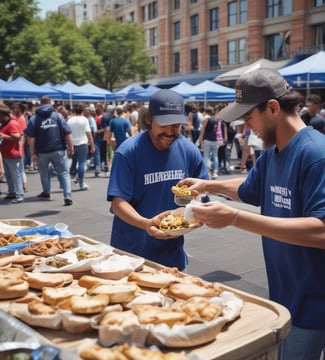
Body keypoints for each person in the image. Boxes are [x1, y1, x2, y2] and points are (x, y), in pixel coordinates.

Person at [177, 68, 325, 360]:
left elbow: (321, 230)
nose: (245, 127)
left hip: (312, 303)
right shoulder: (273, 153)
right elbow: (251, 188)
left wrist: (234, 218)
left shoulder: (316, 154)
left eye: (248, 117)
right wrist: (209, 184)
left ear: (272, 108)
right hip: (285, 295)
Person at [107, 89, 209, 270]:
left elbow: (200, 190)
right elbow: (118, 203)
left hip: (172, 255)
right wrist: (146, 224)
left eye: (176, 125)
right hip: (130, 253)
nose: (170, 131)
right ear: (149, 119)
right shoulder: (129, 151)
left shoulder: (189, 150)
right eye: (164, 124)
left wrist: (195, 207)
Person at [25, 96, 74, 206]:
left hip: (42, 151)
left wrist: (32, 153)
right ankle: (67, 195)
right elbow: (67, 132)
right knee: (64, 172)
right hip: (58, 149)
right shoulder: (57, 116)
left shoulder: (34, 118)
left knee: (44, 172)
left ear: (40, 103)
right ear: (50, 103)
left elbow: (31, 137)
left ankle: (46, 192)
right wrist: (71, 146)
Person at [0, 103, 24, 203]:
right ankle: (11, 192)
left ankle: (19, 195)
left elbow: (18, 137)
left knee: (15, 175)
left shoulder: (12, 124)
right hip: (5, 153)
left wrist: (3, 136)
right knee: (9, 175)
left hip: (13, 154)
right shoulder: (3, 124)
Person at [68, 103, 95, 190]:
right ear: (82, 111)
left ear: (74, 111)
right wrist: (92, 145)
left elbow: (67, 133)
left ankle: (71, 176)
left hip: (73, 143)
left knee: (74, 161)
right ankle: (81, 183)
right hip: (83, 143)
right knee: (82, 163)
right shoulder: (85, 120)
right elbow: (89, 134)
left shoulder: (70, 120)